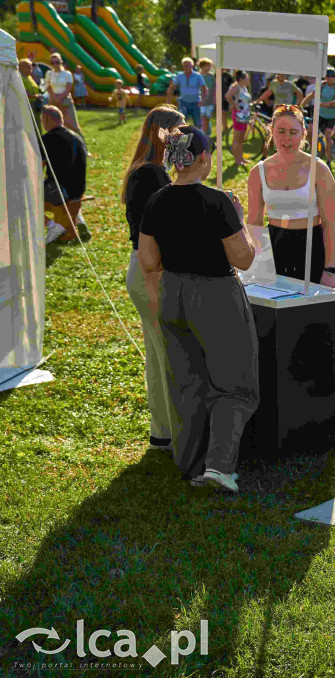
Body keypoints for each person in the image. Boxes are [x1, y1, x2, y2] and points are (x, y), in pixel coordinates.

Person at [138, 126, 259, 493]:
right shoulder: (218, 201)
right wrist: (240, 219)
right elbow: (244, 258)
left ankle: (189, 463)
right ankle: (219, 466)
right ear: (204, 158)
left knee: (186, 382)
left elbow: (148, 260)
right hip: (216, 294)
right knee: (235, 384)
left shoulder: (156, 200)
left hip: (172, 291)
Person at [246, 105, 335, 428]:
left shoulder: (319, 169)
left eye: (293, 132)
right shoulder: (259, 171)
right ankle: (280, 393)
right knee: (272, 324)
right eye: (281, 132)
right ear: (271, 133)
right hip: (275, 247)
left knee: (321, 324)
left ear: (305, 134)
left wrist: (329, 269)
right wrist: (252, 269)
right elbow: (253, 223)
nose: (287, 139)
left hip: (312, 246)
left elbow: (330, 223)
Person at [122, 104, 187, 452]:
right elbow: (159, 229)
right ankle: (171, 431)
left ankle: (164, 430)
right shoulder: (149, 175)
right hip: (152, 271)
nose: (183, 137)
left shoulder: (150, 171)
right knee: (167, 354)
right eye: (178, 131)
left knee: (159, 352)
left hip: (149, 269)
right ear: (162, 134)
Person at [40, 105, 87, 242]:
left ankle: (51, 225)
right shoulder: (77, 137)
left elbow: (37, 167)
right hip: (78, 190)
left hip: (59, 191)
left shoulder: (47, 139)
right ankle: (78, 218)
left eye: (42, 121)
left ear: (47, 119)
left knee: (22, 198)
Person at [42, 53, 85, 147]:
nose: (55, 64)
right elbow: (48, 86)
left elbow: (68, 88)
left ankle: (83, 147)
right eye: (52, 62)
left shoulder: (67, 74)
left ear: (61, 62)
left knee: (73, 125)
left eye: (57, 62)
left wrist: (60, 97)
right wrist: (54, 96)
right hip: (53, 101)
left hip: (65, 101)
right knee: (52, 125)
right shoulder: (49, 73)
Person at [300, 68, 335, 165]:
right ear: (325, 77)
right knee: (310, 131)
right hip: (320, 114)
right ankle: (312, 153)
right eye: (328, 76)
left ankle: (328, 161)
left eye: (333, 76)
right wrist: (300, 107)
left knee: (328, 138)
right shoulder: (321, 86)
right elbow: (310, 96)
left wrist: (327, 104)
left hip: (332, 116)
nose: (330, 78)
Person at [165, 58, 207, 128]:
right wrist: (168, 101)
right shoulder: (179, 76)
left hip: (196, 103)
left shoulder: (198, 76)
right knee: (181, 123)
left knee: (198, 123)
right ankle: (182, 134)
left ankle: (198, 135)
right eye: (184, 66)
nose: (186, 67)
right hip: (183, 103)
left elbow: (204, 89)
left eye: (188, 65)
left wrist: (202, 101)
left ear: (192, 66)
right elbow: (172, 88)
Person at [225, 71, 252, 168]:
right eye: (247, 78)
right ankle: (237, 159)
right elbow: (227, 96)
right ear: (241, 79)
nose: (249, 80)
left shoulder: (244, 87)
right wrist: (234, 105)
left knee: (241, 138)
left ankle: (240, 157)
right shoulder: (235, 86)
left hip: (245, 115)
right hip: (238, 115)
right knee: (237, 137)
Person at [197, 58, 216, 136]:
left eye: (210, 66)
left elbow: (215, 87)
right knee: (202, 117)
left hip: (209, 100)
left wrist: (215, 97)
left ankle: (207, 133)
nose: (209, 67)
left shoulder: (211, 76)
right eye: (207, 66)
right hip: (201, 100)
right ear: (202, 66)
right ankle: (202, 133)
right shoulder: (198, 76)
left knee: (207, 117)